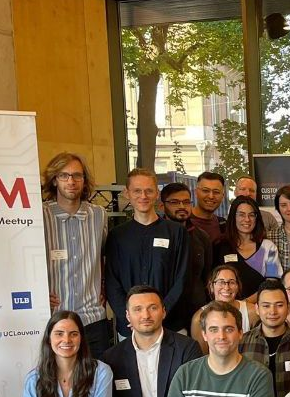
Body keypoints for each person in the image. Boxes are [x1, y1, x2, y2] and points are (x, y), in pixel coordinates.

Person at [104, 168, 188, 339]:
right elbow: (112, 281)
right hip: (130, 328)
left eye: (149, 191)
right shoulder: (117, 236)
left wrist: (161, 311)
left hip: (170, 324)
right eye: (137, 191)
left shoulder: (177, 233)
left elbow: (182, 278)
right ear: (127, 193)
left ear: (157, 194)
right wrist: (129, 316)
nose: (143, 196)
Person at [42, 151, 111, 356]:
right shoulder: (40, 215)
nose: (71, 181)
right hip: (54, 317)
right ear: (54, 180)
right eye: (64, 175)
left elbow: (104, 256)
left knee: (98, 372)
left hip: (92, 316)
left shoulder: (98, 215)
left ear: (84, 180)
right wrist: (38, 294)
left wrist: (104, 285)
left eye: (77, 175)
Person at [241, 278, 290, 397]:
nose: (273, 311)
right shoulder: (241, 343)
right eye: (266, 306)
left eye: (279, 305)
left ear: (288, 308)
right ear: (257, 309)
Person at [161, 182, 214, 334]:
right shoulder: (156, 235)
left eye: (186, 202)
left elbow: (207, 276)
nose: (182, 206)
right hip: (166, 315)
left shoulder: (201, 237)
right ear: (162, 205)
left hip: (196, 314)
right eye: (175, 202)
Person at [214, 195, 282, 300]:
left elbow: (272, 282)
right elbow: (214, 283)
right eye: (241, 215)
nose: (247, 219)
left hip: (259, 306)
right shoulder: (220, 246)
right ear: (233, 217)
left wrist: (245, 304)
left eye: (251, 215)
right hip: (227, 306)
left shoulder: (268, 247)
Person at [191, 265, 257, 351]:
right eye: (221, 282)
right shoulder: (198, 319)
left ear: (238, 286)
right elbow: (202, 355)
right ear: (211, 286)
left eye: (232, 282)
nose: (226, 287)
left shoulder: (252, 312)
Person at [188, 172, 227, 243]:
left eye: (216, 192)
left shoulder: (223, 225)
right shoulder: (183, 222)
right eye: (205, 191)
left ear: (223, 196)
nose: (211, 196)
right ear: (196, 192)